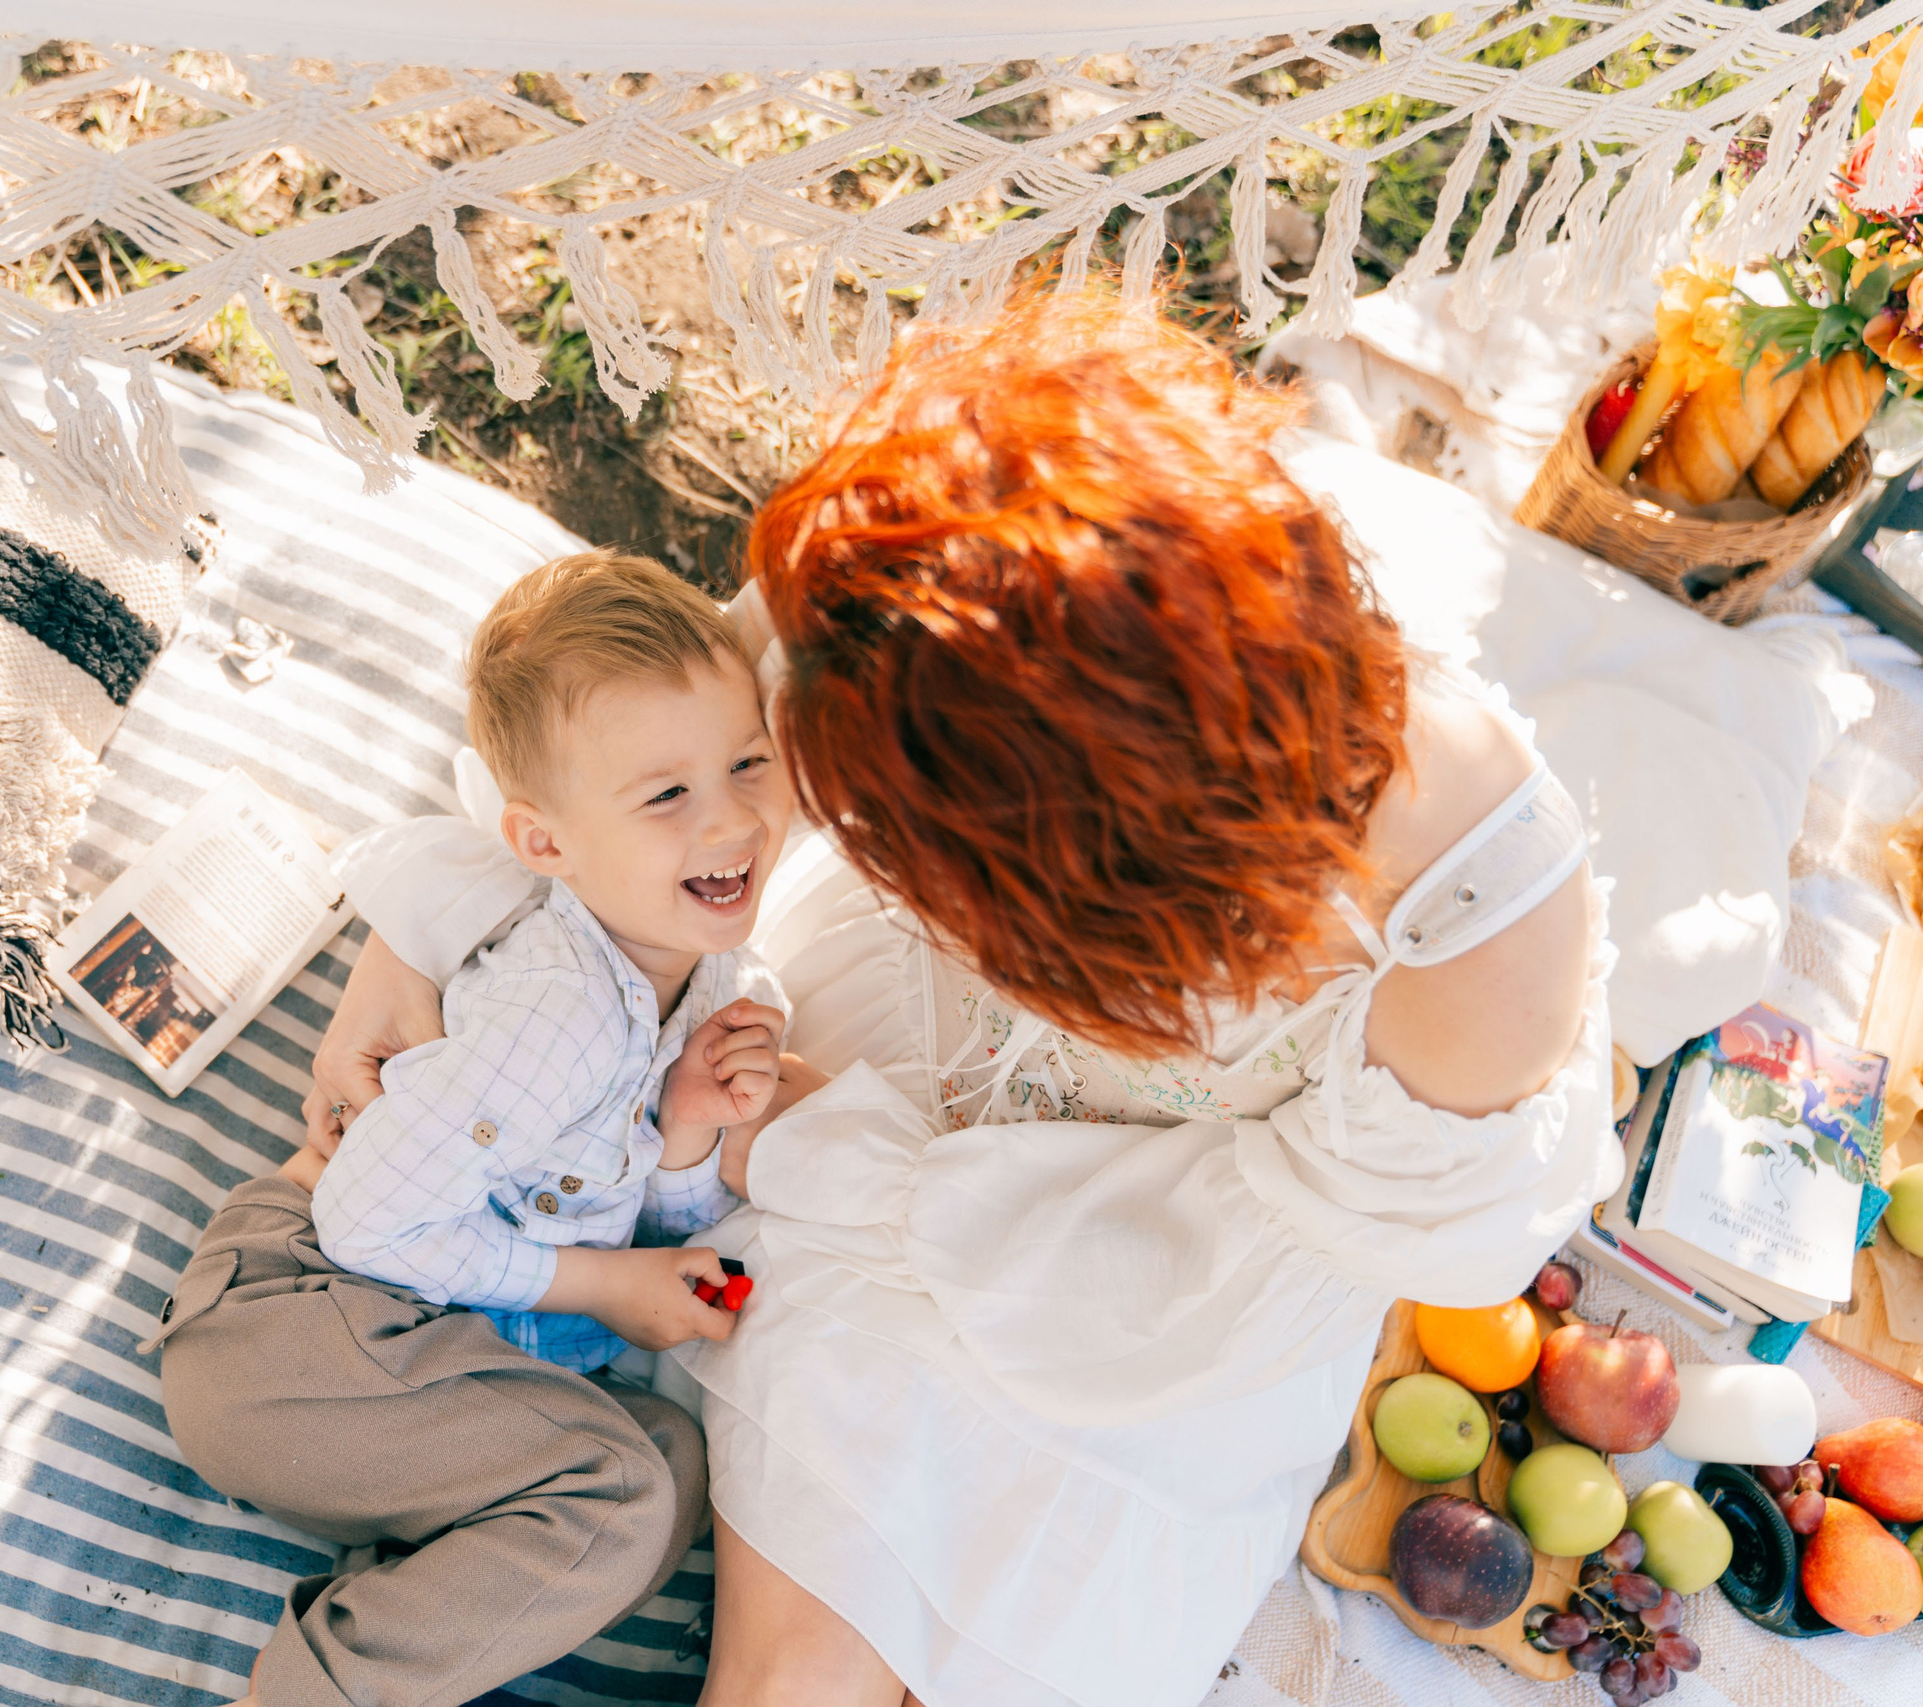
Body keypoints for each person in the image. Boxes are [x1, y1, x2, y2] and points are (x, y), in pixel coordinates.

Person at [303, 293, 1626, 1707]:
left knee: (1015, 1591)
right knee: (784, 1679)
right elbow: (650, 751)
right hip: (875, 1077)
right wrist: (442, 921)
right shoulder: (919, 579)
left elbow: (1272, 1257)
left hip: (1164, 1273)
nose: (817, 823)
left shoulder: (1473, 921)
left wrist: (849, 1158)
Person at [151, 551, 796, 1707]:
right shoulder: (559, 1013)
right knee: (620, 1494)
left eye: (749, 761)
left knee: (666, 1461)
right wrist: (605, 1285)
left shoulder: (705, 966)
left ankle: (406, 1574)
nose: (734, 816)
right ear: (545, 845)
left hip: (435, 1350)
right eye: (667, 796)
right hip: (303, 1320)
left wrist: (690, 1127)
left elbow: (630, 1201)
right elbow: (363, 1223)